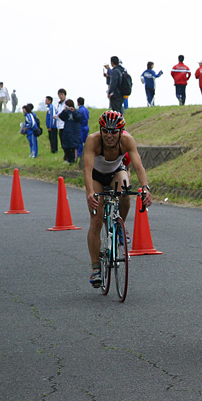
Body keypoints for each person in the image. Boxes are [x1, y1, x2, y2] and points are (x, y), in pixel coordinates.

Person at [83, 110, 153, 287]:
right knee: (96, 220)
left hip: (116, 171)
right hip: (97, 177)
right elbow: (87, 170)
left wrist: (145, 188)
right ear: (101, 129)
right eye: (105, 130)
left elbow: (138, 166)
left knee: (125, 191)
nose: (109, 135)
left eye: (114, 131)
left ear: (121, 131)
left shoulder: (127, 141)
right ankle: (95, 268)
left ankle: (120, 224)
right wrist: (90, 193)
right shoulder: (93, 140)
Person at [57, 99, 82, 164]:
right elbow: (61, 117)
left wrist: (73, 111)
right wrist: (65, 111)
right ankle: (69, 160)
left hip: (74, 132)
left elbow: (79, 118)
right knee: (67, 146)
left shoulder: (77, 111)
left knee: (73, 147)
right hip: (67, 131)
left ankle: (74, 160)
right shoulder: (66, 113)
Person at [54, 89, 67, 155]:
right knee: (62, 142)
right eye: (59, 95)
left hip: (65, 125)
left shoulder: (66, 104)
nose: (61, 96)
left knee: (66, 142)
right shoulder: (59, 104)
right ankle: (65, 156)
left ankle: (68, 157)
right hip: (59, 125)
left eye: (62, 94)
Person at [77, 97, 90, 161]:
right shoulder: (86, 109)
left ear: (78, 103)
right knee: (86, 141)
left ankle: (80, 154)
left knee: (80, 141)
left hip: (81, 126)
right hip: (86, 126)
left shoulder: (79, 110)